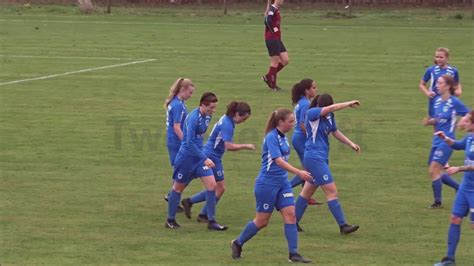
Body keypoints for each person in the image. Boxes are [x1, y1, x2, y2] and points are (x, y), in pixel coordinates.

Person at [231, 108, 312, 263]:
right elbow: (278, 161)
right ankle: (237, 242)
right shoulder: (271, 137)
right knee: (262, 221)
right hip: (267, 185)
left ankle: (293, 253)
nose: (292, 124)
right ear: (280, 122)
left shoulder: (284, 137)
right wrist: (299, 172)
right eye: (290, 121)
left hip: (283, 184)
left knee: (291, 215)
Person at [294, 94, 361, 234]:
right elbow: (331, 108)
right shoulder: (312, 114)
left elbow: (335, 132)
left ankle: (292, 222)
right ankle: (343, 226)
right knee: (331, 191)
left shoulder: (330, 117)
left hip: (321, 158)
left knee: (307, 192)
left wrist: (351, 144)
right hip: (314, 158)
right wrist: (349, 102)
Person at [181, 101, 256, 223]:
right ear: (237, 114)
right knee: (219, 188)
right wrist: (246, 146)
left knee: (216, 187)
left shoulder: (227, 119)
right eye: (244, 118)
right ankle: (200, 211)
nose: (244, 121)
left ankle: (195, 206)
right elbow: (229, 146)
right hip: (212, 156)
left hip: (212, 154)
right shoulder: (228, 124)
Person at [166, 92, 227, 231]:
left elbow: (199, 139)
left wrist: (203, 157)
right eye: (211, 107)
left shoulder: (207, 116)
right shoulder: (193, 118)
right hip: (186, 159)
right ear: (203, 105)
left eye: (215, 107)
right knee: (177, 188)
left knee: (212, 186)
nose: (213, 110)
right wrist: (205, 158)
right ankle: (170, 220)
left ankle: (211, 221)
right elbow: (188, 143)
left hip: (199, 158)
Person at [433, 110, 474, 266]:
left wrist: (458, 168)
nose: (464, 122)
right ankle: (449, 259)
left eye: (468, 121)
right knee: (455, 219)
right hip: (465, 187)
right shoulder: (470, 137)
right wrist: (446, 139)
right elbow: (458, 145)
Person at [423, 75, 469, 209]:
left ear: (448, 86)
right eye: (437, 83)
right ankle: (459, 188)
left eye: (440, 83)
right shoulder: (437, 101)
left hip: (447, 141)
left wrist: (462, 123)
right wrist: (430, 122)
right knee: (435, 171)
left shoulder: (454, 102)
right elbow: (438, 118)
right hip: (436, 140)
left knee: (433, 170)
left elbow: (468, 113)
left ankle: (437, 202)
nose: (437, 85)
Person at [164, 78, 195, 211]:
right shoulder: (178, 105)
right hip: (177, 142)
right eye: (190, 92)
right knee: (183, 171)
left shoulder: (177, 102)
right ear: (182, 90)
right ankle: (172, 197)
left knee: (183, 171)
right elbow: (177, 127)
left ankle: (172, 196)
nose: (191, 95)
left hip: (173, 141)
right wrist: (186, 142)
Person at [288, 79, 321, 205]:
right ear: (307, 90)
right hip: (301, 138)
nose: (316, 89)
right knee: (309, 170)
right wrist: (310, 137)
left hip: (298, 137)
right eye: (313, 87)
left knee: (306, 168)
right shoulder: (305, 104)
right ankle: (285, 189)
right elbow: (302, 124)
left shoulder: (303, 102)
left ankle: (305, 196)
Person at [419, 47, 462, 118]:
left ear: (447, 58)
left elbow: (457, 83)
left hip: (448, 100)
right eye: (437, 57)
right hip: (434, 100)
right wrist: (427, 93)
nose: (438, 59)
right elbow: (422, 84)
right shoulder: (431, 70)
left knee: (447, 121)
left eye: (441, 57)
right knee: (435, 122)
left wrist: (458, 90)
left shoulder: (453, 71)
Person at [261, 0, 288, 91]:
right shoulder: (273, 8)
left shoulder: (275, 9)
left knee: (285, 60)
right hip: (272, 39)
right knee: (274, 62)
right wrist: (273, 30)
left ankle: (268, 76)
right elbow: (267, 20)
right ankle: (273, 85)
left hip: (277, 39)